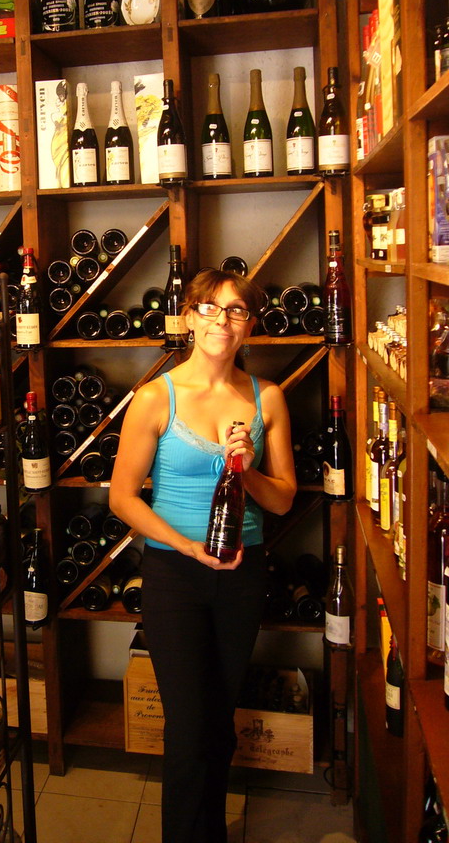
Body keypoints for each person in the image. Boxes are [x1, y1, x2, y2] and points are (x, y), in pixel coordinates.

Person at [109, 268, 296, 843]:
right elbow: (121, 498)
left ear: (250, 324)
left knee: (217, 724)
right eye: (210, 308)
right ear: (188, 317)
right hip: (175, 574)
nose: (223, 319)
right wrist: (186, 544)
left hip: (242, 574)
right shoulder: (155, 398)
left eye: (236, 310)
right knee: (189, 728)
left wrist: (247, 468)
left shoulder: (267, 398)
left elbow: (283, 499)